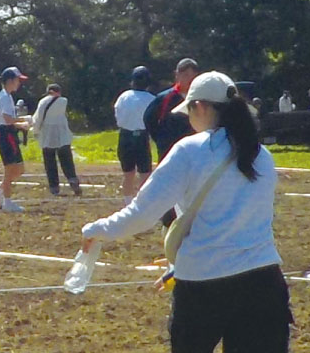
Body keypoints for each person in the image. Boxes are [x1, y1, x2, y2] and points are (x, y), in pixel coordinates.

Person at [82, 71, 292, 352]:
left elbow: (142, 214)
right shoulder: (261, 155)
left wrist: (95, 230)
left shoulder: (189, 150)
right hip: (264, 282)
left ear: (201, 107)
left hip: (203, 288)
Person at [143, 57, 201, 227]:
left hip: (196, 153)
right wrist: (162, 141)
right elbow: (149, 120)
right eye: (184, 75)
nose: (188, 80)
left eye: (192, 76)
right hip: (170, 151)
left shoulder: (201, 100)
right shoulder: (165, 98)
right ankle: (169, 223)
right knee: (169, 188)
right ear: (177, 75)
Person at [0, 67, 32, 213]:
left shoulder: (7, 96)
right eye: (18, 80)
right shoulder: (5, 97)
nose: (19, 83)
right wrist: (22, 123)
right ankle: (6, 201)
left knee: (19, 169)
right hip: (6, 134)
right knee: (10, 169)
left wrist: (21, 121)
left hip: (8, 134)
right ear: (10, 80)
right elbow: (7, 119)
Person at [115, 66, 156, 205]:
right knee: (145, 174)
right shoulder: (152, 99)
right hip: (142, 138)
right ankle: (142, 204)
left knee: (128, 174)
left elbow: (118, 117)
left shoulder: (124, 96)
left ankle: (128, 203)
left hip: (125, 136)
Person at [34, 83, 82, 196]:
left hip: (47, 135)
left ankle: (54, 187)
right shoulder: (63, 101)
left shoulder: (43, 102)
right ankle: (72, 179)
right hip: (62, 135)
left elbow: (38, 118)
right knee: (67, 160)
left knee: (50, 162)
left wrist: (35, 131)